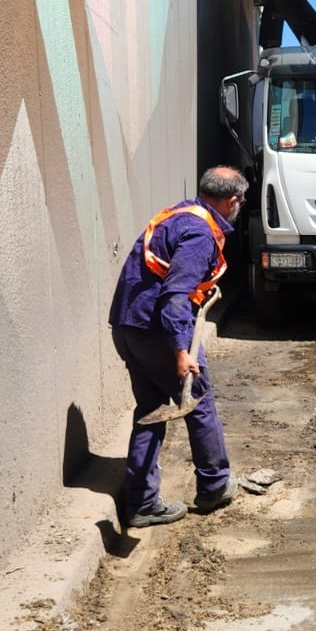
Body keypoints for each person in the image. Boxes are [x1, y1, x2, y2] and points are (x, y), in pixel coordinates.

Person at [108, 166, 248, 527]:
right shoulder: (200, 233)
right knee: (198, 400)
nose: (240, 205)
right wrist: (181, 351)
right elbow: (174, 297)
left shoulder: (181, 214)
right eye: (240, 200)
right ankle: (214, 485)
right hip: (159, 331)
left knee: (151, 410)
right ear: (231, 200)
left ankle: (141, 503)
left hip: (128, 325)